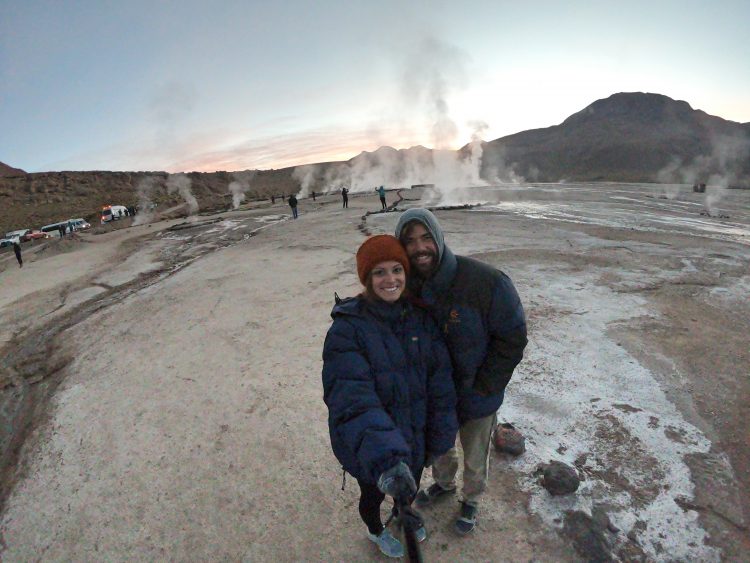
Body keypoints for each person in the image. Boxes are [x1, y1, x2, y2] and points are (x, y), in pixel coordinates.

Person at [322, 234, 458, 558]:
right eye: (379, 272)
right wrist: (385, 458)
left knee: (407, 489)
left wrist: (439, 438)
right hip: (370, 446)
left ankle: (402, 512)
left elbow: (439, 382)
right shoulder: (347, 329)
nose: (390, 279)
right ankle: (375, 529)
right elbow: (351, 399)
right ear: (367, 278)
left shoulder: (420, 319)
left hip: (414, 435)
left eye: (397, 269)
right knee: (373, 494)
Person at [395, 208, 528, 535]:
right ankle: (443, 484)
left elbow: (512, 337)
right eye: (410, 241)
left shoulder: (485, 281)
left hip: (477, 395)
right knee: (440, 447)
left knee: (475, 455)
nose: (419, 247)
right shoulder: (406, 289)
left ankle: (471, 499)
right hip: (435, 397)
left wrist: (485, 386)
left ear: (438, 238)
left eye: (426, 237)